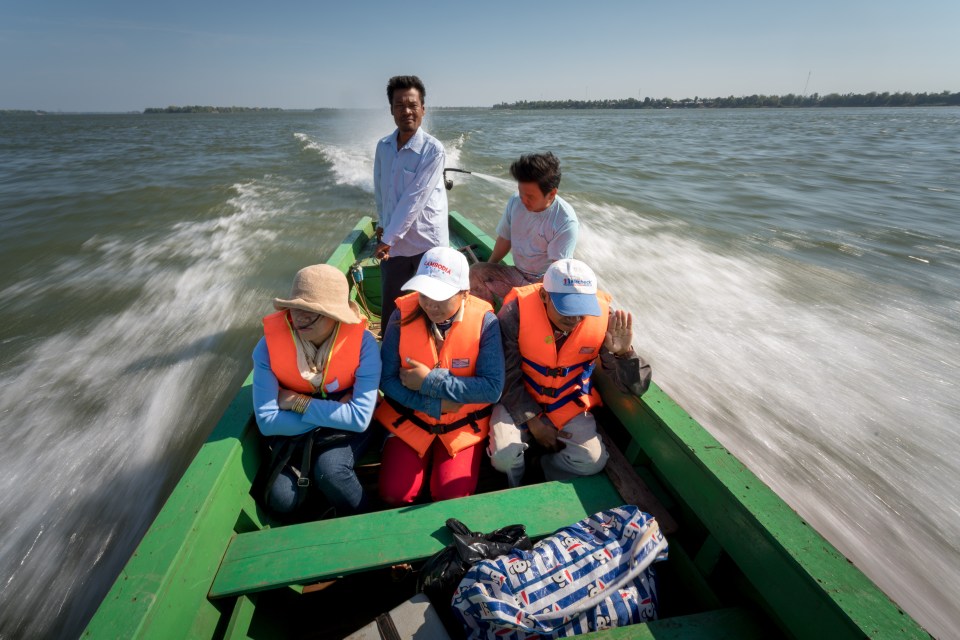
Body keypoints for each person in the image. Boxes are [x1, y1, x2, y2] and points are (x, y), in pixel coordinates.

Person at [487, 258, 651, 487]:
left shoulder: (605, 319)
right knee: (504, 458)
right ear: (544, 295)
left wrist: (624, 354)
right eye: (566, 309)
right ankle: (516, 482)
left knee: (592, 461)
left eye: (581, 310)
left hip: (566, 401)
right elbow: (505, 372)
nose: (574, 319)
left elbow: (635, 387)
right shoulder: (516, 311)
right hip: (519, 395)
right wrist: (532, 421)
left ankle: (541, 468)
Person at [374, 246, 504, 506]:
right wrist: (431, 404)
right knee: (393, 495)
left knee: (451, 496)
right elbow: (386, 380)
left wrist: (429, 381)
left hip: (462, 426)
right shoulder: (401, 315)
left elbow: (492, 388)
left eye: (441, 296)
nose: (430, 304)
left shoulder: (486, 323)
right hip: (410, 419)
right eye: (424, 294)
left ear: (464, 293)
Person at [252, 264, 382, 516]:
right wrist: (339, 413)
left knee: (331, 473)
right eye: (296, 309)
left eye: (311, 312)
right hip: (311, 423)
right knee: (281, 500)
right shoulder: (267, 347)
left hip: (302, 417)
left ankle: (367, 522)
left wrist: (296, 404)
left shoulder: (364, 345)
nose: (300, 318)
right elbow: (268, 422)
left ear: (335, 315)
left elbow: (359, 419)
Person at [374, 75, 448, 335]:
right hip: (394, 245)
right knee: (393, 311)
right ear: (392, 110)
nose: (407, 111)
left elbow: (414, 198)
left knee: (433, 310)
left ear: (423, 109)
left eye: (413, 105)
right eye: (399, 105)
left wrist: (388, 238)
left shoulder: (433, 150)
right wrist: (383, 226)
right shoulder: (383, 147)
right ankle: (390, 362)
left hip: (427, 243)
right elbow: (381, 192)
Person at [469, 152, 578, 305]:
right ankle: (485, 315)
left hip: (544, 282)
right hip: (517, 273)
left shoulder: (565, 221)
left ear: (551, 193)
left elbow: (556, 271)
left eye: (530, 196)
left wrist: (523, 296)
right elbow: (504, 239)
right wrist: (489, 267)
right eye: (521, 193)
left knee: (517, 313)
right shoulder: (515, 202)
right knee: (475, 271)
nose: (523, 200)